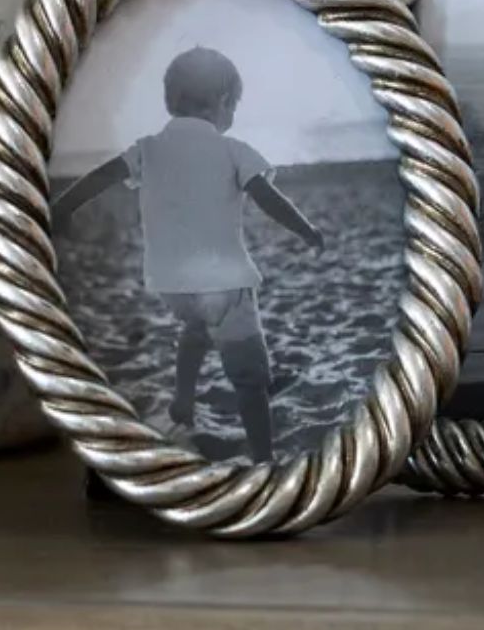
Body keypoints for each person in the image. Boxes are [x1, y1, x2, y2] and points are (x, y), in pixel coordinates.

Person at [52, 46, 324, 464]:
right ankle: (263, 456)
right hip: (225, 282)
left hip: (171, 284)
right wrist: (306, 230)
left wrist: (64, 207)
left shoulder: (147, 148)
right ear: (224, 102)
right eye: (234, 106)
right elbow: (268, 198)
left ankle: (182, 398)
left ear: (171, 100)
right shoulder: (233, 150)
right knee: (249, 377)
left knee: (195, 327)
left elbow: (101, 177)